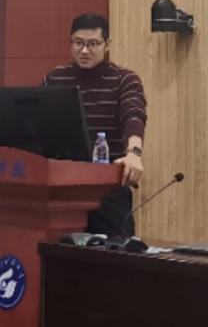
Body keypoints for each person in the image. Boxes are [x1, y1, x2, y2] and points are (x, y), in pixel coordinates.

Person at [44, 13, 147, 237]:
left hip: (107, 188)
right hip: (64, 187)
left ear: (107, 44)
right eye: (78, 43)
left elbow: (133, 115)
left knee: (113, 253)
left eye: (93, 44)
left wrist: (134, 152)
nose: (84, 50)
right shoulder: (55, 80)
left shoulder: (124, 79)